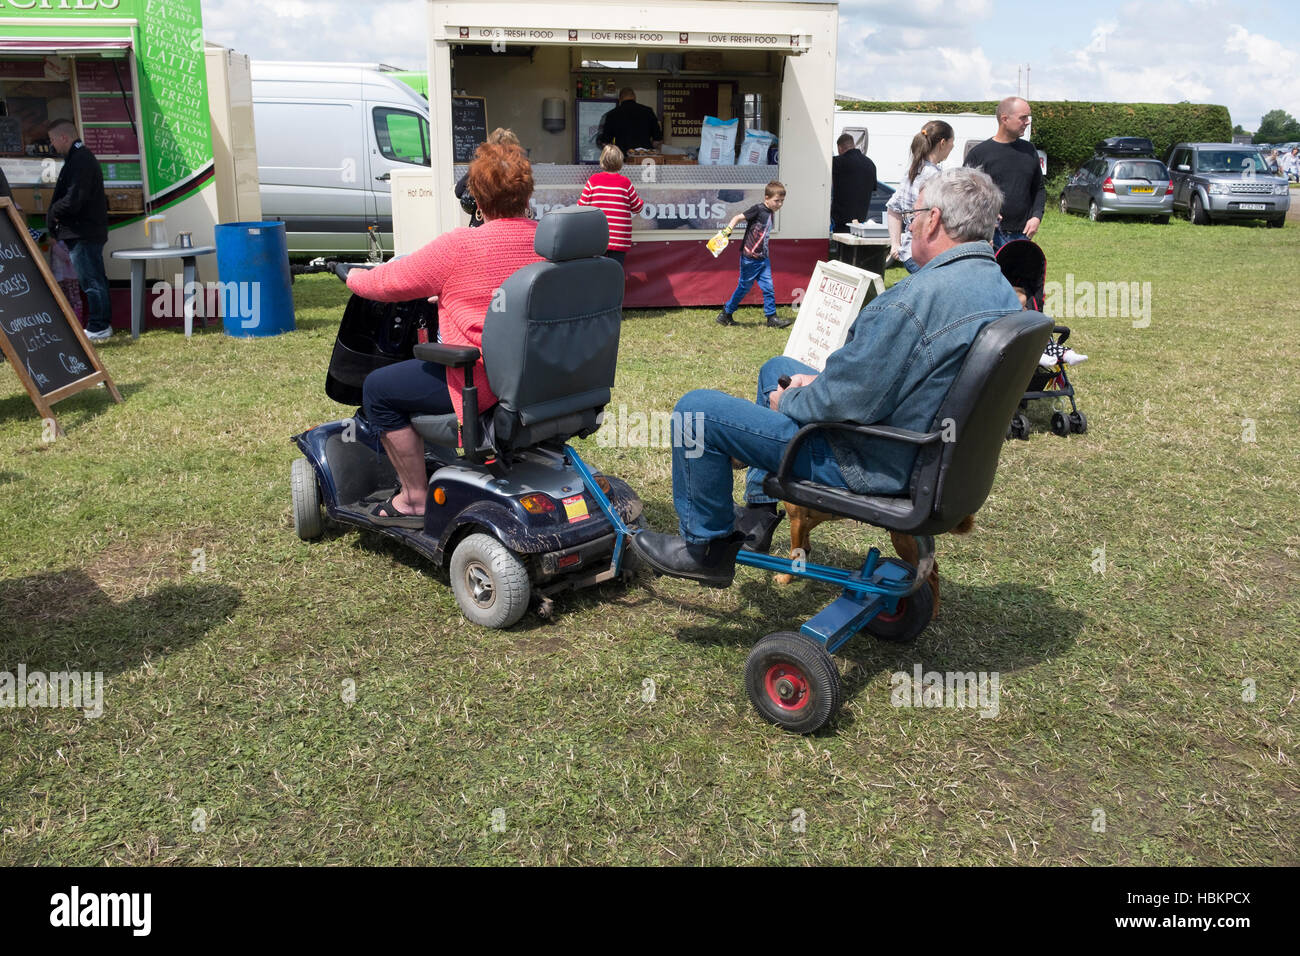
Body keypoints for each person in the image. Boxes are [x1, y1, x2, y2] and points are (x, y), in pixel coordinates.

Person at [632, 167, 1022, 586]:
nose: (909, 224)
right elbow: (874, 383)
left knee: (697, 412)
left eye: (913, 214)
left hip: (871, 460)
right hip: (928, 451)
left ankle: (705, 549)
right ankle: (761, 509)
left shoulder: (913, 302)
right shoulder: (999, 288)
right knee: (778, 369)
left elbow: (848, 401)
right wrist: (812, 386)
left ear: (935, 219)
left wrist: (795, 400)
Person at [345, 143, 542, 526]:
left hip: (481, 381)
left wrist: (352, 276)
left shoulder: (459, 245)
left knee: (377, 390)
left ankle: (415, 498)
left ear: (477, 199)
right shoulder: (545, 242)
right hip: (539, 375)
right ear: (526, 194)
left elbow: (389, 282)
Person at [46, 119, 111, 340]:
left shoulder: (81, 160)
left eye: (53, 139)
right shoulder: (77, 158)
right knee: (93, 279)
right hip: (83, 231)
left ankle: (99, 325)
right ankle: (100, 324)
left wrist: (54, 211)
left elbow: (74, 199)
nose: (52, 145)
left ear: (64, 137)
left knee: (91, 280)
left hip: (84, 232)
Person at [964, 97, 1045, 251]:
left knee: (1018, 276)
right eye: (1023, 117)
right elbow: (964, 196)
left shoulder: (1029, 150)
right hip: (988, 236)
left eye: (1028, 117)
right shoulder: (979, 154)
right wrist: (985, 214)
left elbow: (1039, 188)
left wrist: (1036, 217)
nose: (1028, 122)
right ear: (1004, 119)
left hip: (1022, 235)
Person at [715, 181, 792, 329]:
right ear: (766, 198)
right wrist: (726, 232)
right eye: (776, 200)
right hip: (749, 259)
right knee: (743, 287)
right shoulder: (758, 209)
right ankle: (725, 314)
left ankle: (771, 318)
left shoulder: (770, 213)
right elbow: (737, 217)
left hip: (763, 258)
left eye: (782, 201)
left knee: (768, 288)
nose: (779, 204)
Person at [886, 120, 954, 273]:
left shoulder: (913, 170)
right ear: (942, 143)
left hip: (910, 253)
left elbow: (893, 209)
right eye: (952, 142)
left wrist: (896, 244)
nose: (953, 147)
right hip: (927, 255)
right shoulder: (935, 176)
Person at [577, 144, 644, 267]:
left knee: (597, 272)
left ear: (602, 160)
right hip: (619, 238)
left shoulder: (593, 180)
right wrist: (641, 201)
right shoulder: (625, 182)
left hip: (597, 237)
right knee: (615, 272)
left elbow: (581, 206)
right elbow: (637, 207)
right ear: (620, 161)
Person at [454, 127, 521, 227]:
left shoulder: (481, 167)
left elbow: (459, 191)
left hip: (482, 224)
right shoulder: (518, 171)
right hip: (512, 226)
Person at [830, 132, 877, 233]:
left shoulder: (837, 162)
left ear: (839, 148)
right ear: (853, 145)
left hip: (841, 222)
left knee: (843, 248)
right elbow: (873, 189)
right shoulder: (870, 164)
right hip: (860, 223)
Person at [596, 88, 663, 153]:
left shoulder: (612, 114)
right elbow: (657, 140)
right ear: (634, 97)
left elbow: (605, 143)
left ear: (620, 99)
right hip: (644, 159)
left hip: (622, 158)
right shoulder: (648, 111)